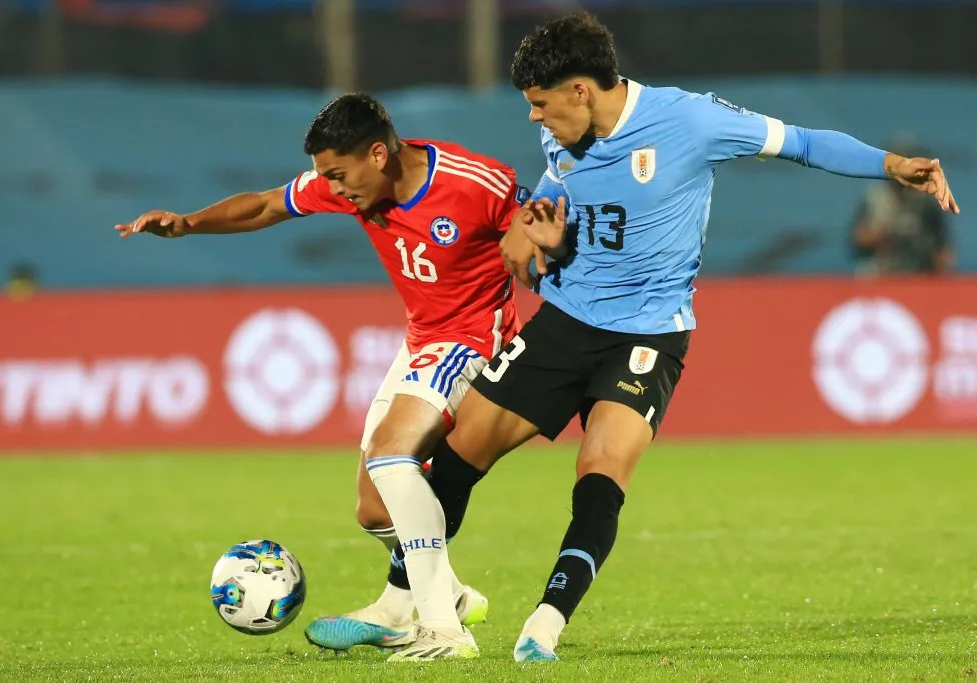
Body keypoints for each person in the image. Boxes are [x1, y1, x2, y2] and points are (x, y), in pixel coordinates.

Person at [376, 12, 960, 663]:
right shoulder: (562, 134)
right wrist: (532, 224)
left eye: (541, 104)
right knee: (456, 457)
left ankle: (546, 621)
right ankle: (407, 605)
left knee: (599, 470)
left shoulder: (690, 121)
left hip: (647, 336)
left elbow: (800, 140)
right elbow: (555, 195)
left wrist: (892, 165)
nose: (534, 119)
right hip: (565, 321)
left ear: (580, 91)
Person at [114, 92, 532, 656]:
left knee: (391, 454)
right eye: (325, 177)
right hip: (421, 341)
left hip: (476, 337)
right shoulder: (351, 187)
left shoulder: (475, 182)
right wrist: (188, 224)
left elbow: (540, 226)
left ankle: (442, 630)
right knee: (375, 509)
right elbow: (265, 206)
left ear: (378, 154)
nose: (334, 190)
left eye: (338, 175)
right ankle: (449, 594)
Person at [851, 137, 954, 276]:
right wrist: (883, 234)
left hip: (920, 270)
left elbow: (942, 248)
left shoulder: (925, 202)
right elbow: (859, 238)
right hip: (882, 270)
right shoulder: (874, 199)